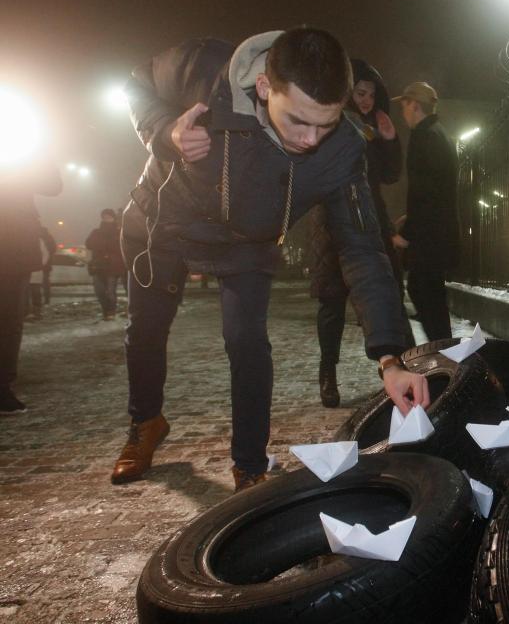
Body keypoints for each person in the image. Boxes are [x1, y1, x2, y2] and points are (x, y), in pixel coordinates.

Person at [114, 27, 429, 492]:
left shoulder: (342, 150)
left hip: (249, 239)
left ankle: (249, 463)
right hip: (164, 220)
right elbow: (136, 82)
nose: (310, 139)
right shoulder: (205, 69)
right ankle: (146, 422)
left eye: (325, 123)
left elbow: (363, 248)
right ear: (264, 87)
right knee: (146, 328)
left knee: (246, 341)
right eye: (298, 121)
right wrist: (166, 132)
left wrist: (391, 357)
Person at [311, 59, 414, 407]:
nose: (367, 99)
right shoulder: (333, 122)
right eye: (360, 92)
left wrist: (389, 140)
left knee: (386, 295)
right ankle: (328, 373)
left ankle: (396, 365)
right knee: (332, 305)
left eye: (372, 93)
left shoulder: (376, 125)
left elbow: (388, 176)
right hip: (332, 223)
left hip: (371, 222)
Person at [391, 82, 460, 341]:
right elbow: (436, 188)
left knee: (424, 294)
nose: (403, 112)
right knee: (430, 298)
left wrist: (407, 233)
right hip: (438, 233)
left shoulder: (424, 137)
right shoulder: (438, 133)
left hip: (430, 237)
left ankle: (445, 363)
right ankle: (444, 358)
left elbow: (424, 191)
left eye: (404, 105)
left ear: (415, 105)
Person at [0, 160, 62, 414]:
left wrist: (42, 152)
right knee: (9, 321)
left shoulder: (21, 161)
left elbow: (51, 185)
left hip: (14, 248)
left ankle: (2, 386)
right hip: (15, 246)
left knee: (9, 321)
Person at [85, 209, 125, 320]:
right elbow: (88, 244)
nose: (107, 219)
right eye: (104, 217)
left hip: (113, 266)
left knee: (110, 291)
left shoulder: (119, 232)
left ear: (113, 218)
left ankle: (110, 312)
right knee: (99, 291)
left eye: (109, 217)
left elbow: (121, 248)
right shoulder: (96, 232)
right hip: (98, 265)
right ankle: (105, 310)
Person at [26, 227, 55, 319]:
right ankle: (30, 311)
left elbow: (46, 254)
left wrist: (39, 265)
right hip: (29, 270)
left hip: (35, 270)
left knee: (34, 290)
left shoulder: (39, 241)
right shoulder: (40, 239)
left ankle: (36, 311)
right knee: (29, 291)